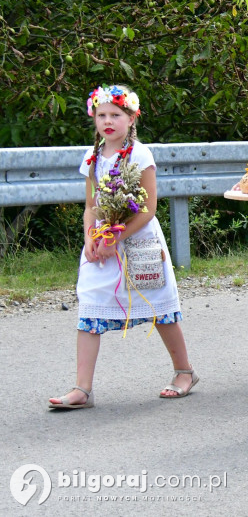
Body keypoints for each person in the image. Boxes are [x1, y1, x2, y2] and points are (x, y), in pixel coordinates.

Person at [49, 85, 196, 409]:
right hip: (102, 245)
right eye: (101, 115)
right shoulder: (92, 157)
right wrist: (91, 236)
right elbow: (91, 205)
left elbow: (148, 207)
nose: (108, 121)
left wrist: (120, 235)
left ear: (131, 119)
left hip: (138, 240)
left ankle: (184, 371)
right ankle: (82, 389)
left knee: (160, 308)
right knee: (90, 306)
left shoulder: (139, 155)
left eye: (116, 114)